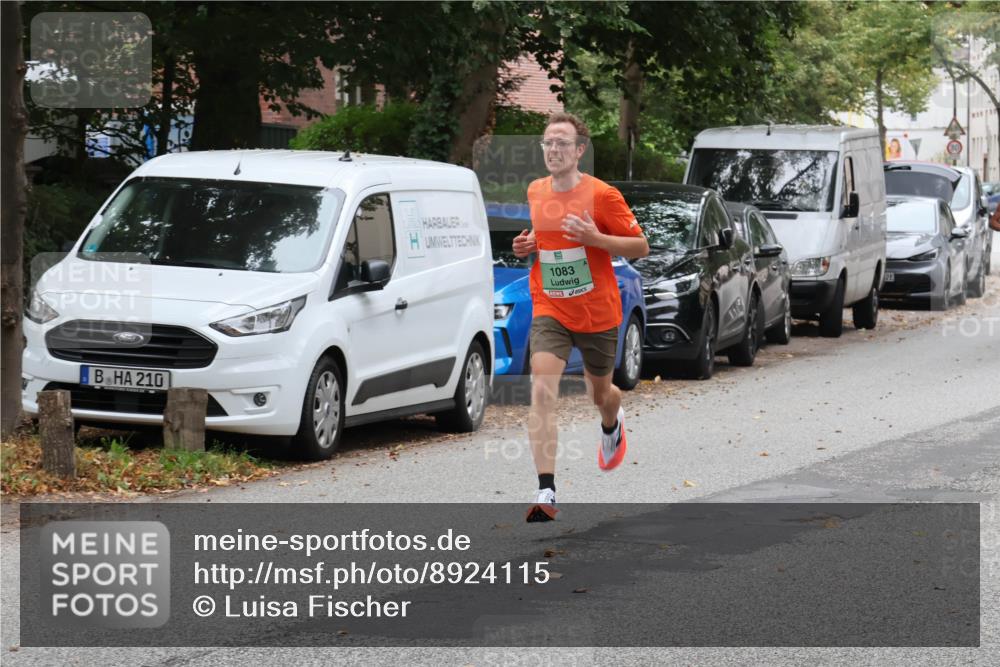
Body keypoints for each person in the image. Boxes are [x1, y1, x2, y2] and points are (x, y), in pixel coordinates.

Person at [512, 112, 650, 522]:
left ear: (579, 150)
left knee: (599, 394)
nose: (553, 150)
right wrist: (528, 245)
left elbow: (639, 246)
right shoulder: (536, 190)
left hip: (597, 310)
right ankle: (547, 490)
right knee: (541, 391)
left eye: (562, 143)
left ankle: (612, 421)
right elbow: (547, 236)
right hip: (550, 305)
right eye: (548, 143)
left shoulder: (602, 195)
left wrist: (596, 239)